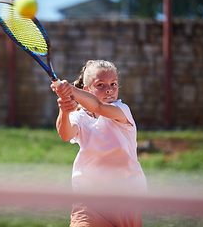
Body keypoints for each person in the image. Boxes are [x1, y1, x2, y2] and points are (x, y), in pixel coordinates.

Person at [50, 60, 147, 227]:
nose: (109, 89)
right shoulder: (79, 116)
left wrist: (70, 90)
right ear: (87, 90)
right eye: (100, 85)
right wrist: (64, 109)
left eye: (113, 84)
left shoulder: (122, 110)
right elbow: (66, 134)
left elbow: (97, 106)